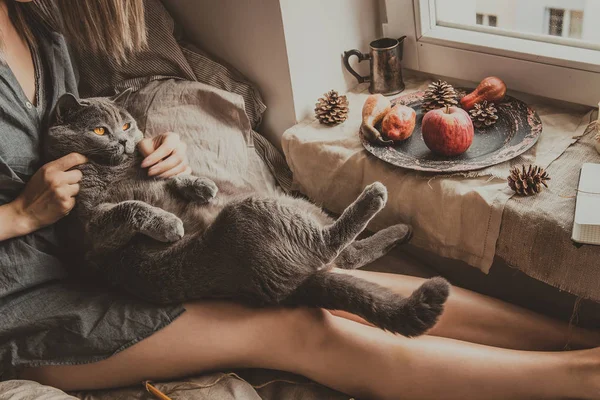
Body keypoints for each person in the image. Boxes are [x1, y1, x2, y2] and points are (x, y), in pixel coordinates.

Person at [1, 1, 600, 399]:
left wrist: (151, 151)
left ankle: (576, 340)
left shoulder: (41, 23)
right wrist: (20, 214)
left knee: (320, 272)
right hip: (37, 314)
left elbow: (90, 130)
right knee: (301, 324)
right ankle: (578, 379)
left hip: (113, 258)